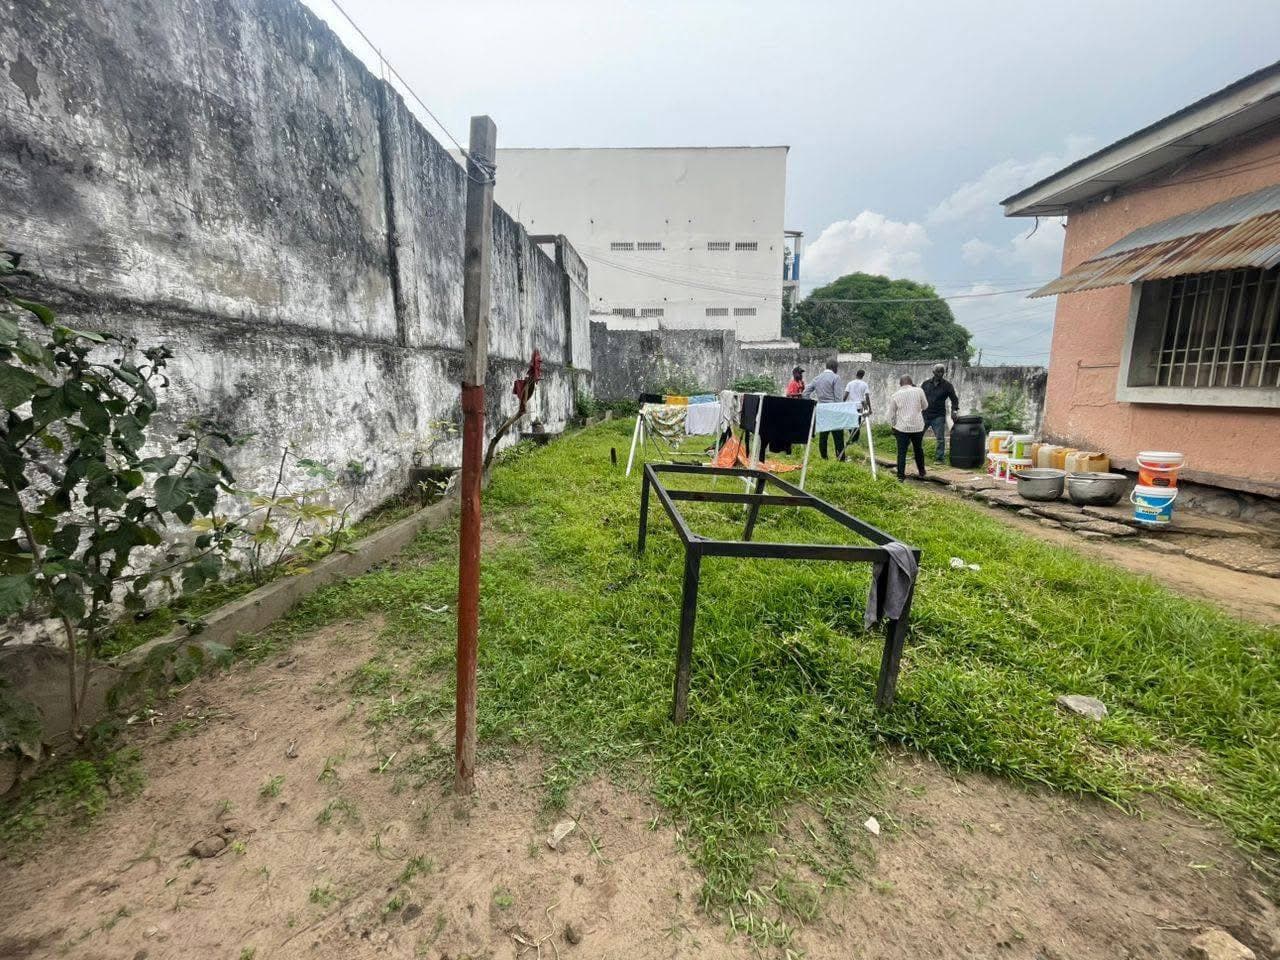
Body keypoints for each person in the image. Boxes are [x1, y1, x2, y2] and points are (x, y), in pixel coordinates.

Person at [886, 374, 928, 481]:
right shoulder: (919, 391)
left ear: (900, 384)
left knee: (901, 452)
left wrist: (893, 425)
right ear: (911, 382)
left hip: (902, 428)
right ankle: (922, 472)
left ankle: (900, 477)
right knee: (918, 449)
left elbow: (892, 414)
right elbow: (925, 406)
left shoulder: (895, 395)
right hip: (917, 426)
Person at [803, 358, 845, 460]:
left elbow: (805, 394)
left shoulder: (817, 378)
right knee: (838, 437)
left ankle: (824, 458)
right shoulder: (836, 378)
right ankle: (840, 458)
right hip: (833, 410)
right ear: (834, 368)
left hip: (822, 410)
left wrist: (814, 403)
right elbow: (838, 398)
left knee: (823, 436)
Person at [922, 363, 960, 465]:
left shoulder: (947, 386)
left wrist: (954, 411)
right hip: (924, 414)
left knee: (940, 438)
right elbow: (919, 398)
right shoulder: (925, 384)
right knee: (917, 436)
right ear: (933, 372)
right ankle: (918, 454)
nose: (940, 374)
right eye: (938, 371)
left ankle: (939, 459)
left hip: (938, 415)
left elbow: (954, 400)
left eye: (942, 371)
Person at [843, 369, 871, 443]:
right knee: (857, 423)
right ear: (863, 376)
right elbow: (867, 397)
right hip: (859, 406)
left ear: (856, 374)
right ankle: (854, 439)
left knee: (849, 423)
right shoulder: (864, 384)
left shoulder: (850, 383)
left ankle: (853, 439)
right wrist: (869, 408)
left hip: (850, 406)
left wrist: (842, 404)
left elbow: (845, 395)